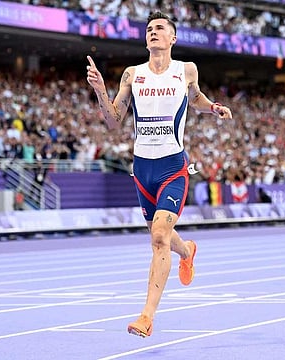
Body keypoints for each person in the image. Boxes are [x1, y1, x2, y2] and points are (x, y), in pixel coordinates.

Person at [86, 11, 232, 337]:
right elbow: (113, 121)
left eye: (160, 28)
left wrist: (213, 108)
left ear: (172, 38)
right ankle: (188, 251)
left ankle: (147, 315)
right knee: (159, 233)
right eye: (149, 29)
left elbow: (194, 98)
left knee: (158, 237)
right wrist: (99, 90)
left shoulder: (186, 70)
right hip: (142, 169)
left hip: (172, 167)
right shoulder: (131, 74)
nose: (153, 32)